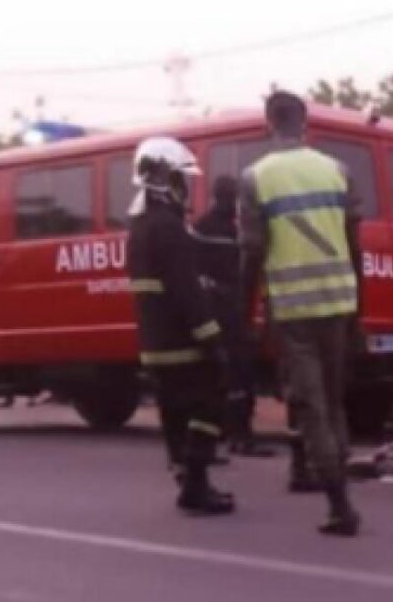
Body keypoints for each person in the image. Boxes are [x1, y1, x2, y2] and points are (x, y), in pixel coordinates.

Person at [239, 91, 361, 536]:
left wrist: (243, 314)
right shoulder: (338, 171)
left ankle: (340, 506)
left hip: (293, 311)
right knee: (333, 402)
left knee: (312, 408)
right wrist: (359, 311)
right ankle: (340, 493)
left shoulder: (255, 178)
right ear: (305, 122)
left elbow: (252, 253)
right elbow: (355, 247)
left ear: (268, 124)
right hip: (339, 303)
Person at [126, 136, 235, 516]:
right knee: (210, 403)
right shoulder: (169, 227)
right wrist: (213, 339)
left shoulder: (139, 227)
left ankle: (185, 478)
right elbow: (186, 291)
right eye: (180, 178)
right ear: (165, 179)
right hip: (182, 342)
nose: (185, 186)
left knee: (173, 412)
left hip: (155, 344)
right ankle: (196, 483)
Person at [193, 175, 276, 458]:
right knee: (239, 375)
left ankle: (223, 434)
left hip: (215, 312)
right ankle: (239, 435)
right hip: (228, 312)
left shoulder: (203, 228)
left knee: (221, 376)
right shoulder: (230, 230)